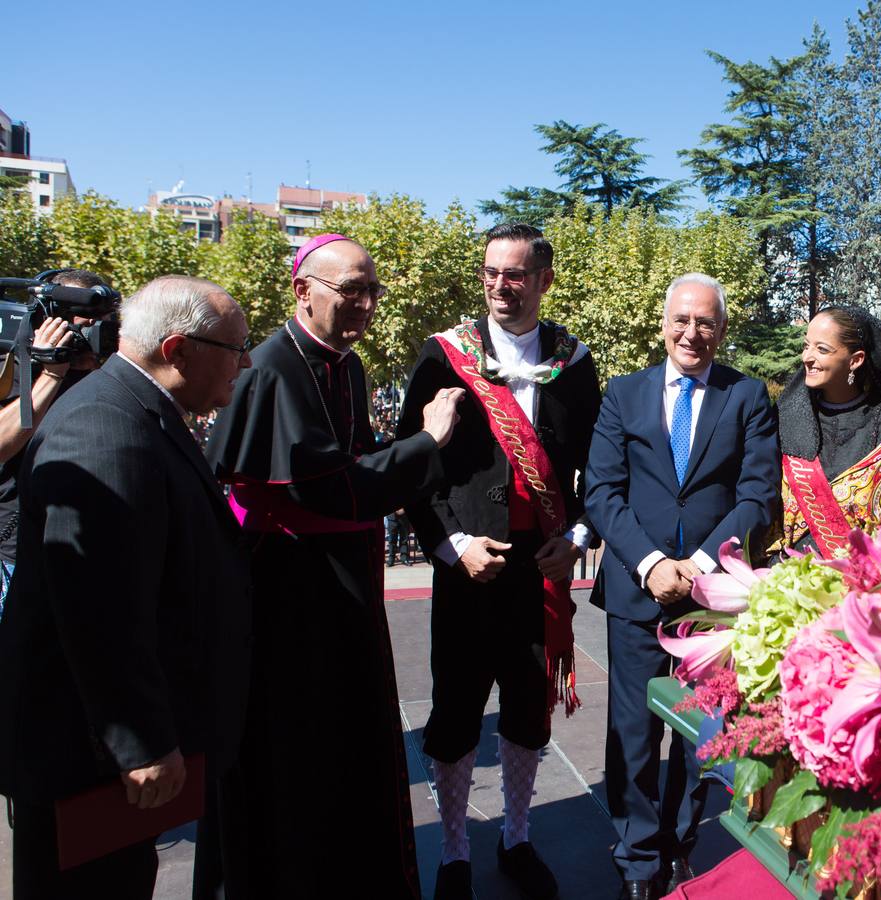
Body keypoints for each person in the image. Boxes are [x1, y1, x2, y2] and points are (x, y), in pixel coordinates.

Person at [200, 234, 464, 900]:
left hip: (341, 584)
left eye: (372, 291)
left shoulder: (346, 366)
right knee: (295, 757)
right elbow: (329, 486)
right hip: (286, 595)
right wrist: (426, 441)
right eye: (351, 290)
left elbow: (355, 464)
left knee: (351, 747)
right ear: (302, 290)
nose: (366, 305)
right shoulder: (266, 370)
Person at [0, 276, 253, 899]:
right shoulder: (106, 428)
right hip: (86, 761)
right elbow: (97, 609)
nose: (246, 363)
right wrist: (140, 744)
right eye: (236, 347)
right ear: (178, 350)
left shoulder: (135, 409)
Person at [400, 222, 601, 900]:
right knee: (455, 714)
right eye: (490, 271)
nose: (499, 285)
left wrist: (575, 533)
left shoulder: (574, 364)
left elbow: (597, 470)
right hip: (466, 566)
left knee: (527, 709)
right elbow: (411, 468)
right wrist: (451, 543)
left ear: (544, 280)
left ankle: (517, 836)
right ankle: (454, 850)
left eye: (515, 274)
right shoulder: (440, 358)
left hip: (538, 570)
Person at [585, 273, 778, 900]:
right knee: (634, 736)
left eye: (706, 323)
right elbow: (603, 493)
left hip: (712, 600)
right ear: (663, 323)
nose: (692, 333)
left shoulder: (747, 396)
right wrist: (649, 563)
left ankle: (678, 847)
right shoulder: (623, 395)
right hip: (636, 593)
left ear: (722, 329)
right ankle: (638, 860)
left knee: (700, 739)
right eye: (682, 320)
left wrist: (696, 564)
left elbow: (758, 496)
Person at [0, 268, 111, 617]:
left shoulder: (103, 372)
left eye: (105, 320)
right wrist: (50, 372)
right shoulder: (15, 366)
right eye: (89, 320)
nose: (98, 331)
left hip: (87, 548)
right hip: (15, 553)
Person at [772, 306, 881, 558]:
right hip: (785, 573)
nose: (807, 357)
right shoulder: (783, 418)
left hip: (863, 577)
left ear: (856, 360)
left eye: (822, 349)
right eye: (806, 346)